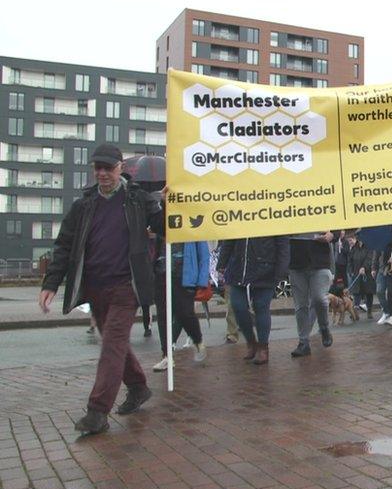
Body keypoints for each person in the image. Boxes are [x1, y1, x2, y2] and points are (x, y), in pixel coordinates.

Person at [39, 144, 163, 434]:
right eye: (98, 168)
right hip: (95, 288)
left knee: (111, 345)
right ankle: (138, 387)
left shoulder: (138, 200)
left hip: (125, 287)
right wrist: (50, 284)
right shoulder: (84, 205)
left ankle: (97, 412)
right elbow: (64, 246)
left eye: (108, 167)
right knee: (114, 343)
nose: (103, 173)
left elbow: (165, 226)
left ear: (121, 168)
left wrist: (169, 204)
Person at [217, 236, 290, 365]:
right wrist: (222, 262)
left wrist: (281, 271)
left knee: (261, 306)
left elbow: (282, 244)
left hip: (266, 269)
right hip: (239, 270)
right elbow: (229, 238)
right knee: (237, 306)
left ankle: (263, 347)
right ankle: (251, 342)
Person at [151, 237, 210, 371]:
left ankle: (197, 340)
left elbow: (203, 254)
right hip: (162, 273)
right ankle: (166, 355)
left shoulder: (192, 225)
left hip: (184, 276)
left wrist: (202, 280)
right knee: (163, 315)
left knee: (185, 313)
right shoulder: (161, 222)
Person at [287, 231, 336, 358]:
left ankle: (324, 327)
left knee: (319, 298)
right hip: (296, 261)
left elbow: (337, 219)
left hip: (320, 260)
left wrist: (332, 234)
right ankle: (303, 342)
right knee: (300, 305)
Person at [346, 235, 377, 319]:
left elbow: (370, 258)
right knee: (356, 293)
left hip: (367, 274)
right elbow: (350, 260)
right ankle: (354, 312)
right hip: (356, 272)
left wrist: (364, 267)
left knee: (368, 293)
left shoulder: (369, 246)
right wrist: (351, 270)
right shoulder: (354, 248)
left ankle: (369, 310)